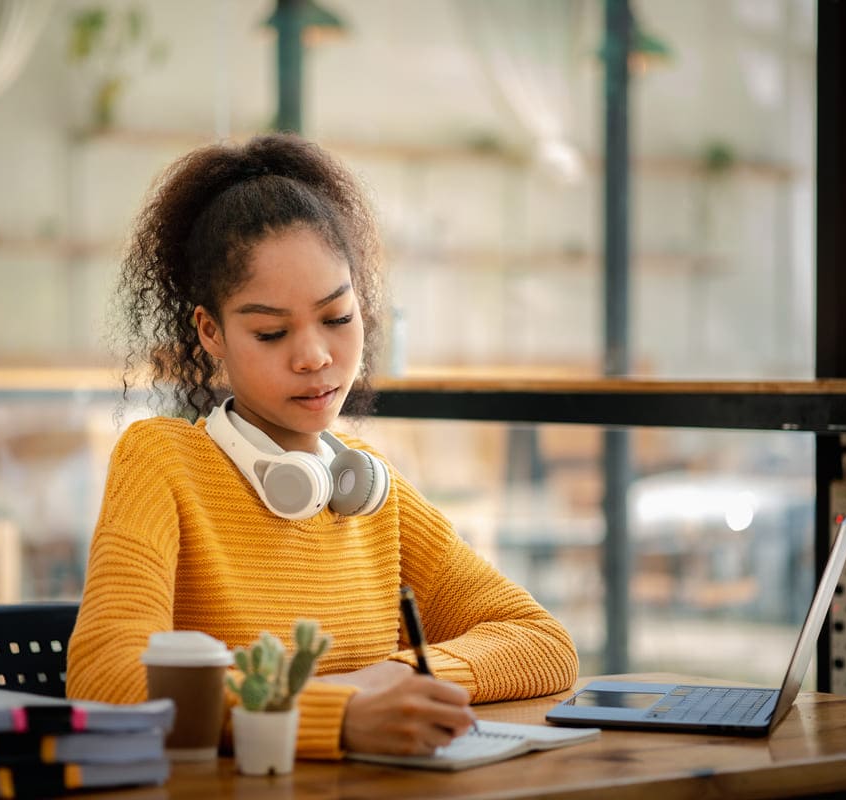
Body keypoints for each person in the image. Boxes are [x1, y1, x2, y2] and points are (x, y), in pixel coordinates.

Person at [66, 132, 579, 759]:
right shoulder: (161, 463)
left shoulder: (369, 490)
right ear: (212, 332)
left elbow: (542, 642)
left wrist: (400, 679)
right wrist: (339, 711)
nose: (314, 356)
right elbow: (106, 680)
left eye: (337, 318)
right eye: (272, 331)